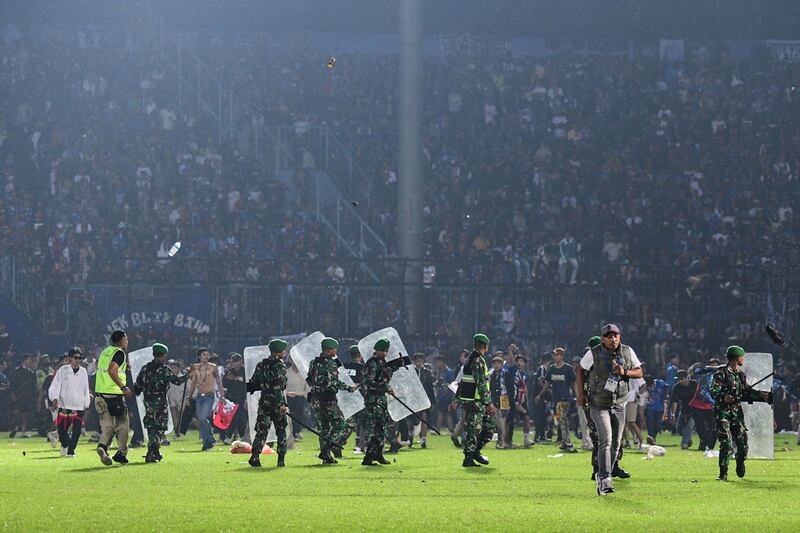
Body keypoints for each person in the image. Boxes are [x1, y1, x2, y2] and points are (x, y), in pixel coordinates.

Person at [576, 324, 643, 496]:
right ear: (603, 338)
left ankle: (605, 473)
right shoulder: (594, 352)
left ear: (619, 336)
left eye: (615, 336)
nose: (612, 339)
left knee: (616, 444)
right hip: (599, 403)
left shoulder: (628, 351)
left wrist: (624, 372)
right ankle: (605, 478)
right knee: (606, 439)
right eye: (608, 336)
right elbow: (580, 369)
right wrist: (581, 394)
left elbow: (639, 372)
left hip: (620, 403)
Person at [711, 346, 772, 481]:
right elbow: (714, 391)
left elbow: (745, 393)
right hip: (723, 413)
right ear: (737, 358)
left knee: (742, 444)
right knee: (726, 443)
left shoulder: (740, 375)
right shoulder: (721, 373)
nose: (743, 359)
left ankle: (740, 461)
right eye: (742, 357)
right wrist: (724, 397)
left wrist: (764, 396)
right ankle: (723, 473)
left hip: (736, 414)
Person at [134, 343, 189, 463]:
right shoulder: (164, 369)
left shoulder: (145, 368)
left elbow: (137, 387)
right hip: (160, 402)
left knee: (151, 426)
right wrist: (189, 374)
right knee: (159, 428)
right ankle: (151, 452)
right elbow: (177, 381)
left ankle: (156, 451)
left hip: (148, 401)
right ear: (163, 356)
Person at [307, 337, 354, 465]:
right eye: (334, 349)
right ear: (329, 350)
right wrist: (348, 388)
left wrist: (318, 386)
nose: (336, 351)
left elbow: (309, 379)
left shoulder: (314, 362)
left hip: (316, 399)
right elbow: (334, 381)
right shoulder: (330, 363)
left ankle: (326, 456)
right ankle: (326, 450)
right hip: (328, 400)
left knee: (324, 429)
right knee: (340, 424)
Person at [451, 333, 496, 467]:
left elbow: (463, 382)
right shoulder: (477, 360)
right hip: (476, 402)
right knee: (475, 430)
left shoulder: (470, 359)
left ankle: (474, 453)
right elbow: (481, 383)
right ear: (484, 346)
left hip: (472, 401)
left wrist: (457, 400)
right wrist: (488, 402)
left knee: (484, 428)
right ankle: (469, 457)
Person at [247, 339, 289, 468]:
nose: (285, 353)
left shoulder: (261, 365)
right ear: (278, 352)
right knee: (281, 430)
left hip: (264, 402)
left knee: (261, 430)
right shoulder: (280, 366)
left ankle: (255, 456)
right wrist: (282, 405)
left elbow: (253, 383)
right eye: (283, 350)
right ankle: (281, 460)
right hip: (277, 403)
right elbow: (280, 387)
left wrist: (264, 386)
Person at [94, 330, 133, 466]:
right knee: (123, 425)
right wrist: (123, 387)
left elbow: (105, 368)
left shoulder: (106, 352)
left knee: (108, 427)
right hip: (114, 395)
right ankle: (121, 454)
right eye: (126, 339)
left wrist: (123, 366)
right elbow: (111, 370)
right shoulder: (119, 353)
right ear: (121, 340)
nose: (127, 341)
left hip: (100, 395)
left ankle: (102, 447)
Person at [48, 348, 91, 457]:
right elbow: (55, 385)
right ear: (70, 358)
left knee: (76, 432)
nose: (78, 360)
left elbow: (86, 388)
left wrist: (86, 403)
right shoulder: (62, 370)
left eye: (80, 358)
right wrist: (54, 398)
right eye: (75, 358)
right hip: (64, 405)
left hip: (79, 406)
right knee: (62, 431)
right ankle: (65, 445)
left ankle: (71, 451)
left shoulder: (83, 372)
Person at [361, 338, 394, 466]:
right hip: (373, 400)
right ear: (377, 350)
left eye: (386, 351)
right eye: (382, 351)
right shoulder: (372, 364)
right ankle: (368, 457)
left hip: (381, 399)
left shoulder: (383, 363)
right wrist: (386, 387)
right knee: (374, 429)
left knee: (381, 429)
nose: (385, 353)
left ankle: (379, 454)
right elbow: (369, 382)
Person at [537, 347, 577, 452]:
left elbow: (574, 383)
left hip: (565, 398)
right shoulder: (552, 368)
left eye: (556, 355)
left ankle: (568, 443)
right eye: (554, 355)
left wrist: (577, 396)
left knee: (563, 419)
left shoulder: (568, 368)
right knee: (559, 420)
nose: (554, 357)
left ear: (561, 356)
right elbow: (547, 383)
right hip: (556, 398)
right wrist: (540, 395)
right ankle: (564, 442)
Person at [186, 348, 225, 451]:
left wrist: (222, 396)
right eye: (204, 354)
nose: (206, 356)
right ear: (199, 356)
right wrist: (189, 396)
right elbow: (193, 382)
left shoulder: (213, 367)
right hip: (199, 396)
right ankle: (206, 443)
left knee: (203, 418)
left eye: (208, 354)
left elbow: (219, 382)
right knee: (201, 420)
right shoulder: (195, 367)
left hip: (209, 395)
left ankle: (210, 439)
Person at [343, 345, 366, 454]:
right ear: (360, 355)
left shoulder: (344, 367)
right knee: (363, 424)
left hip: (345, 399)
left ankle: (337, 443)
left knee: (348, 424)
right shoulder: (363, 368)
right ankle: (360, 447)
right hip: (359, 400)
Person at [9, 353, 37, 438]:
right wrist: (13, 394)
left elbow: (33, 386)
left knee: (26, 413)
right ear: (25, 360)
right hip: (19, 396)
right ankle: (15, 428)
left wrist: (33, 396)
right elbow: (13, 384)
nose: (30, 361)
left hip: (28, 397)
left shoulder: (31, 373)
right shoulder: (17, 371)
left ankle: (23, 430)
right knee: (18, 413)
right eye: (29, 359)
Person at [411, 352, 436, 448]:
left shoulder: (427, 372)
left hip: (424, 399)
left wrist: (432, 401)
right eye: (417, 361)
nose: (419, 363)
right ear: (414, 361)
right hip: (413, 399)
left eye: (421, 361)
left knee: (424, 419)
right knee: (412, 420)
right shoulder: (411, 372)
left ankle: (423, 440)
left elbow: (430, 388)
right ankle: (410, 437)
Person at [222, 353, 247, 443]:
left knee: (239, 417)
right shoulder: (229, 371)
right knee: (233, 417)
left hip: (241, 397)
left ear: (240, 361)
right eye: (232, 361)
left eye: (235, 361)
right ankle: (241, 436)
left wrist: (246, 399)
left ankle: (230, 436)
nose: (233, 363)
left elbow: (246, 385)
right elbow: (224, 384)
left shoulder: (245, 371)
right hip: (231, 398)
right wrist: (228, 379)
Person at [670, 370, 696, 449]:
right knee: (679, 429)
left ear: (686, 378)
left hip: (695, 410)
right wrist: (673, 415)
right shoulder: (677, 387)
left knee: (690, 426)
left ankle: (684, 443)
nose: (680, 381)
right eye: (678, 379)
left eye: (681, 379)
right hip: (684, 410)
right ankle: (688, 439)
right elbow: (674, 401)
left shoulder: (695, 385)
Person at [489, 356, 511, 448]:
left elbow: (510, 388)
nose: (497, 365)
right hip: (495, 400)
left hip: (505, 399)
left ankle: (502, 441)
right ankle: (501, 441)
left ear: (502, 364)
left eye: (498, 363)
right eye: (495, 363)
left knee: (502, 421)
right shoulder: (491, 375)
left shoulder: (506, 374)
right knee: (499, 422)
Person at [513, 355, 534, 448]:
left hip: (522, 400)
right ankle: (505, 440)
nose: (519, 363)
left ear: (525, 364)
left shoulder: (525, 374)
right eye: (517, 361)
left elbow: (525, 388)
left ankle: (526, 440)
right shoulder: (514, 373)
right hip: (514, 399)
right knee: (509, 420)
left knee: (526, 417)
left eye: (521, 361)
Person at [530, 354, 551, 443]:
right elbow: (540, 382)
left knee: (543, 417)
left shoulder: (546, 369)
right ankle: (539, 437)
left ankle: (541, 436)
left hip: (541, 397)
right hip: (538, 397)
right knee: (540, 417)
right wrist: (547, 390)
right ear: (548, 360)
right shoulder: (542, 368)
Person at [644, 375, 669, 444]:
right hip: (650, 407)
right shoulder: (645, 386)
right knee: (650, 423)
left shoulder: (659, 383)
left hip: (659, 407)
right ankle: (651, 437)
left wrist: (666, 396)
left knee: (658, 424)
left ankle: (653, 436)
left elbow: (666, 386)